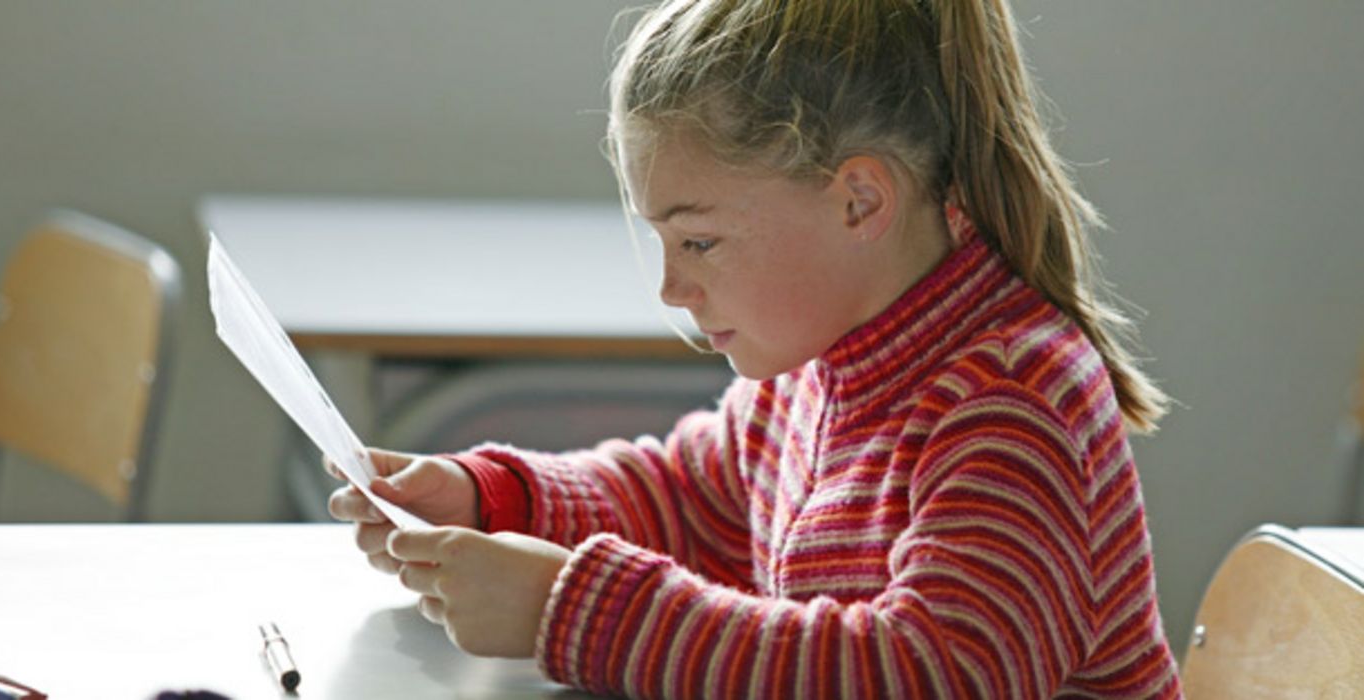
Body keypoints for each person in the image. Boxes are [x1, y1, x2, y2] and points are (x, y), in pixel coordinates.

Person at [327, 0, 1183, 696]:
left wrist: (570, 609)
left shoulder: (1013, 400)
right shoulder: (818, 368)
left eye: (698, 243)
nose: (670, 289)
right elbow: (685, 500)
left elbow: (933, 670)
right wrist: (492, 500)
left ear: (857, 202)